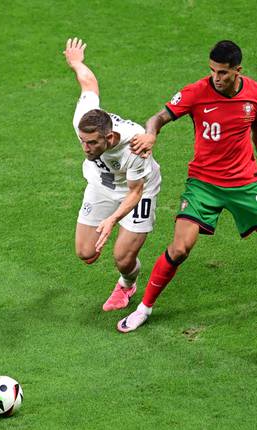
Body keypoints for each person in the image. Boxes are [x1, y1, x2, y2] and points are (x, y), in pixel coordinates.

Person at [117, 40, 257, 332]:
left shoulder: (256, 94)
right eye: (212, 71)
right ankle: (144, 308)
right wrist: (151, 134)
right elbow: (158, 117)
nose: (216, 78)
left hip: (246, 184)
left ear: (237, 71)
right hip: (203, 184)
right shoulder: (196, 92)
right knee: (180, 249)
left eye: (222, 73)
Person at [64, 37, 162, 311]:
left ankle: (127, 285)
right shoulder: (85, 120)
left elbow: (135, 192)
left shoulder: (135, 146)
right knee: (86, 253)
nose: (85, 148)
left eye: (92, 143)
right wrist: (77, 63)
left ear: (109, 137)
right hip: (102, 185)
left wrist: (112, 220)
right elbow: (89, 84)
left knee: (123, 256)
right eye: (82, 141)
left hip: (139, 189)